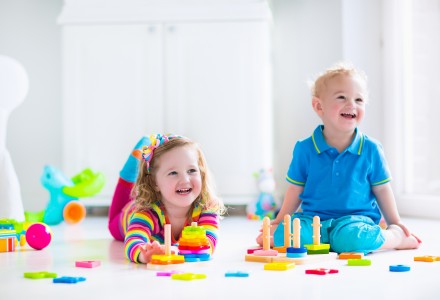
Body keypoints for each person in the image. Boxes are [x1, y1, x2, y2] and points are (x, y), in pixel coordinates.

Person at [256, 62, 421, 254]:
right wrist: (280, 220)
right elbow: (295, 188)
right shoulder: (304, 148)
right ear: (319, 106)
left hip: (355, 221)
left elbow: (382, 189)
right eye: (342, 97)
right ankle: (324, 239)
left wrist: (396, 223)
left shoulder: (371, 149)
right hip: (312, 220)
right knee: (284, 236)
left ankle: (395, 239)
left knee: (353, 240)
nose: (351, 104)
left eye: (359, 100)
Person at [108, 134, 226, 263]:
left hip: (157, 196)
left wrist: (175, 250)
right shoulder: (146, 212)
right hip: (125, 216)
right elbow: (133, 240)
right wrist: (145, 255)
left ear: (201, 173)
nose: (185, 180)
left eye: (192, 170)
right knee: (115, 220)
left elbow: (208, 244)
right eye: (173, 173)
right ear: (154, 183)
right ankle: (130, 173)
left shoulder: (207, 207)